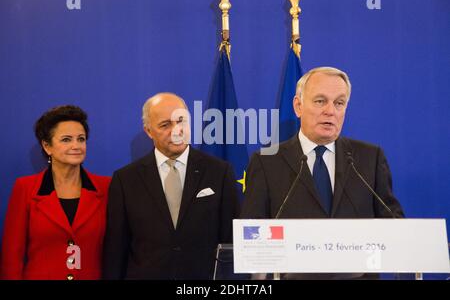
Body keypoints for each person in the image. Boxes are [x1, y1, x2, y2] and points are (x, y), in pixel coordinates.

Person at [240, 67, 404, 279]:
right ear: (298, 106)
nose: (330, 111)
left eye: (339, 103)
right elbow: (252, 231)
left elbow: (393, 221)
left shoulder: (369, 158)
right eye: (320, 101)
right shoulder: (266, 162)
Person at [102, 92, 239, 280]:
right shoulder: (125, 180)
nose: (176, 130)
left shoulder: (219, 172)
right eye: (165, 125)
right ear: (149, 131)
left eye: (181, 120)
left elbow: (231, 242)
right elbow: (116, 250)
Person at [0, 105, 111, 280]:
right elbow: (12, 256)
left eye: (81, 139)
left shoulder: (106, 187)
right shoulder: (25, 188)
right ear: (47, 146)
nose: (76, 146)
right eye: (66, 139)